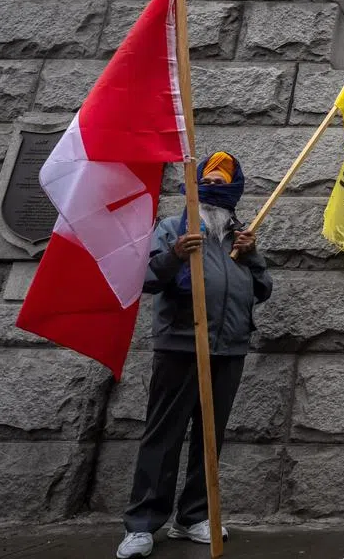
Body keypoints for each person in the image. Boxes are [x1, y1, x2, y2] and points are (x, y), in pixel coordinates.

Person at [116, 152, 272, 559]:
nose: (217, 188)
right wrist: (175, 256)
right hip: (181, 345)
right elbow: (146, 279)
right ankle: (142, 524)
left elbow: (263, 288)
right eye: (211, 181)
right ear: (198, 184)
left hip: (229, 347)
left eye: (225, 181)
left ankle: (193, 517)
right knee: (164, 435)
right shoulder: (172, 228)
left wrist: (252, 255)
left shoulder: (240, 235)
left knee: (210, 437)